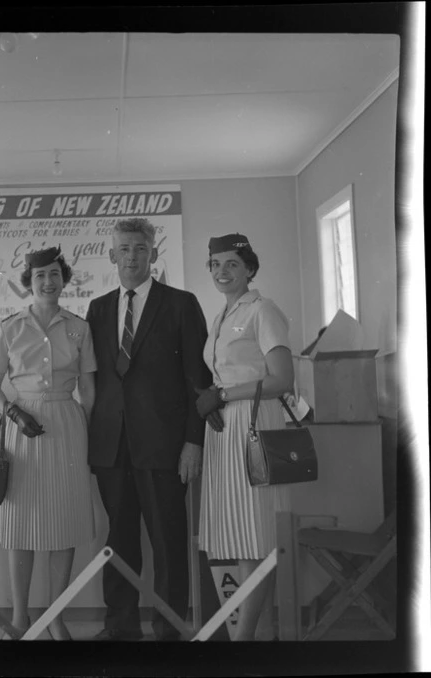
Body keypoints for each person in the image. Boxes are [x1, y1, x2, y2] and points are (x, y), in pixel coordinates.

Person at [87, 217, 221, 641]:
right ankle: (120, 627)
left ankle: (168, 632)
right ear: (112, 255)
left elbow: (198, 380)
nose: (131, 256)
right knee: (119, 540)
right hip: (112, 448)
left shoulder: (181, 304)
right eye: (124, 249)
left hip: (165, 447)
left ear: (153, 254)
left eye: (140, 249)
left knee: (167, 543)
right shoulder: (98, 308)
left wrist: (192, 442)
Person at [0, 247, 96, 641]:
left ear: (64, 279)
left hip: (66, 423)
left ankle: (56, 616)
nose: (48, 282)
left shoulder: (80, 328)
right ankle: (19, 617)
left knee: (63, 522)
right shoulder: (10, 327)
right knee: (21, 524)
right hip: (22, 425)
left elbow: (89, 386)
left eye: (54, 274)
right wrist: (14, 413)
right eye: (39, 276)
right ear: (28, 284)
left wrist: (87, 426)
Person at [195, 233, 295, 641]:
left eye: (232, 263)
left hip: (255, 426)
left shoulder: (263, 310)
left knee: (254, 535)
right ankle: (252, 635)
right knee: (239, 538)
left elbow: (281, 379)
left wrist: (222, 395)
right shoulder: (222, 316)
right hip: (225, 429)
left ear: (250, 268)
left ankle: (243, 641)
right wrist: (217, 401)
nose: (222, 271)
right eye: (216, 264)